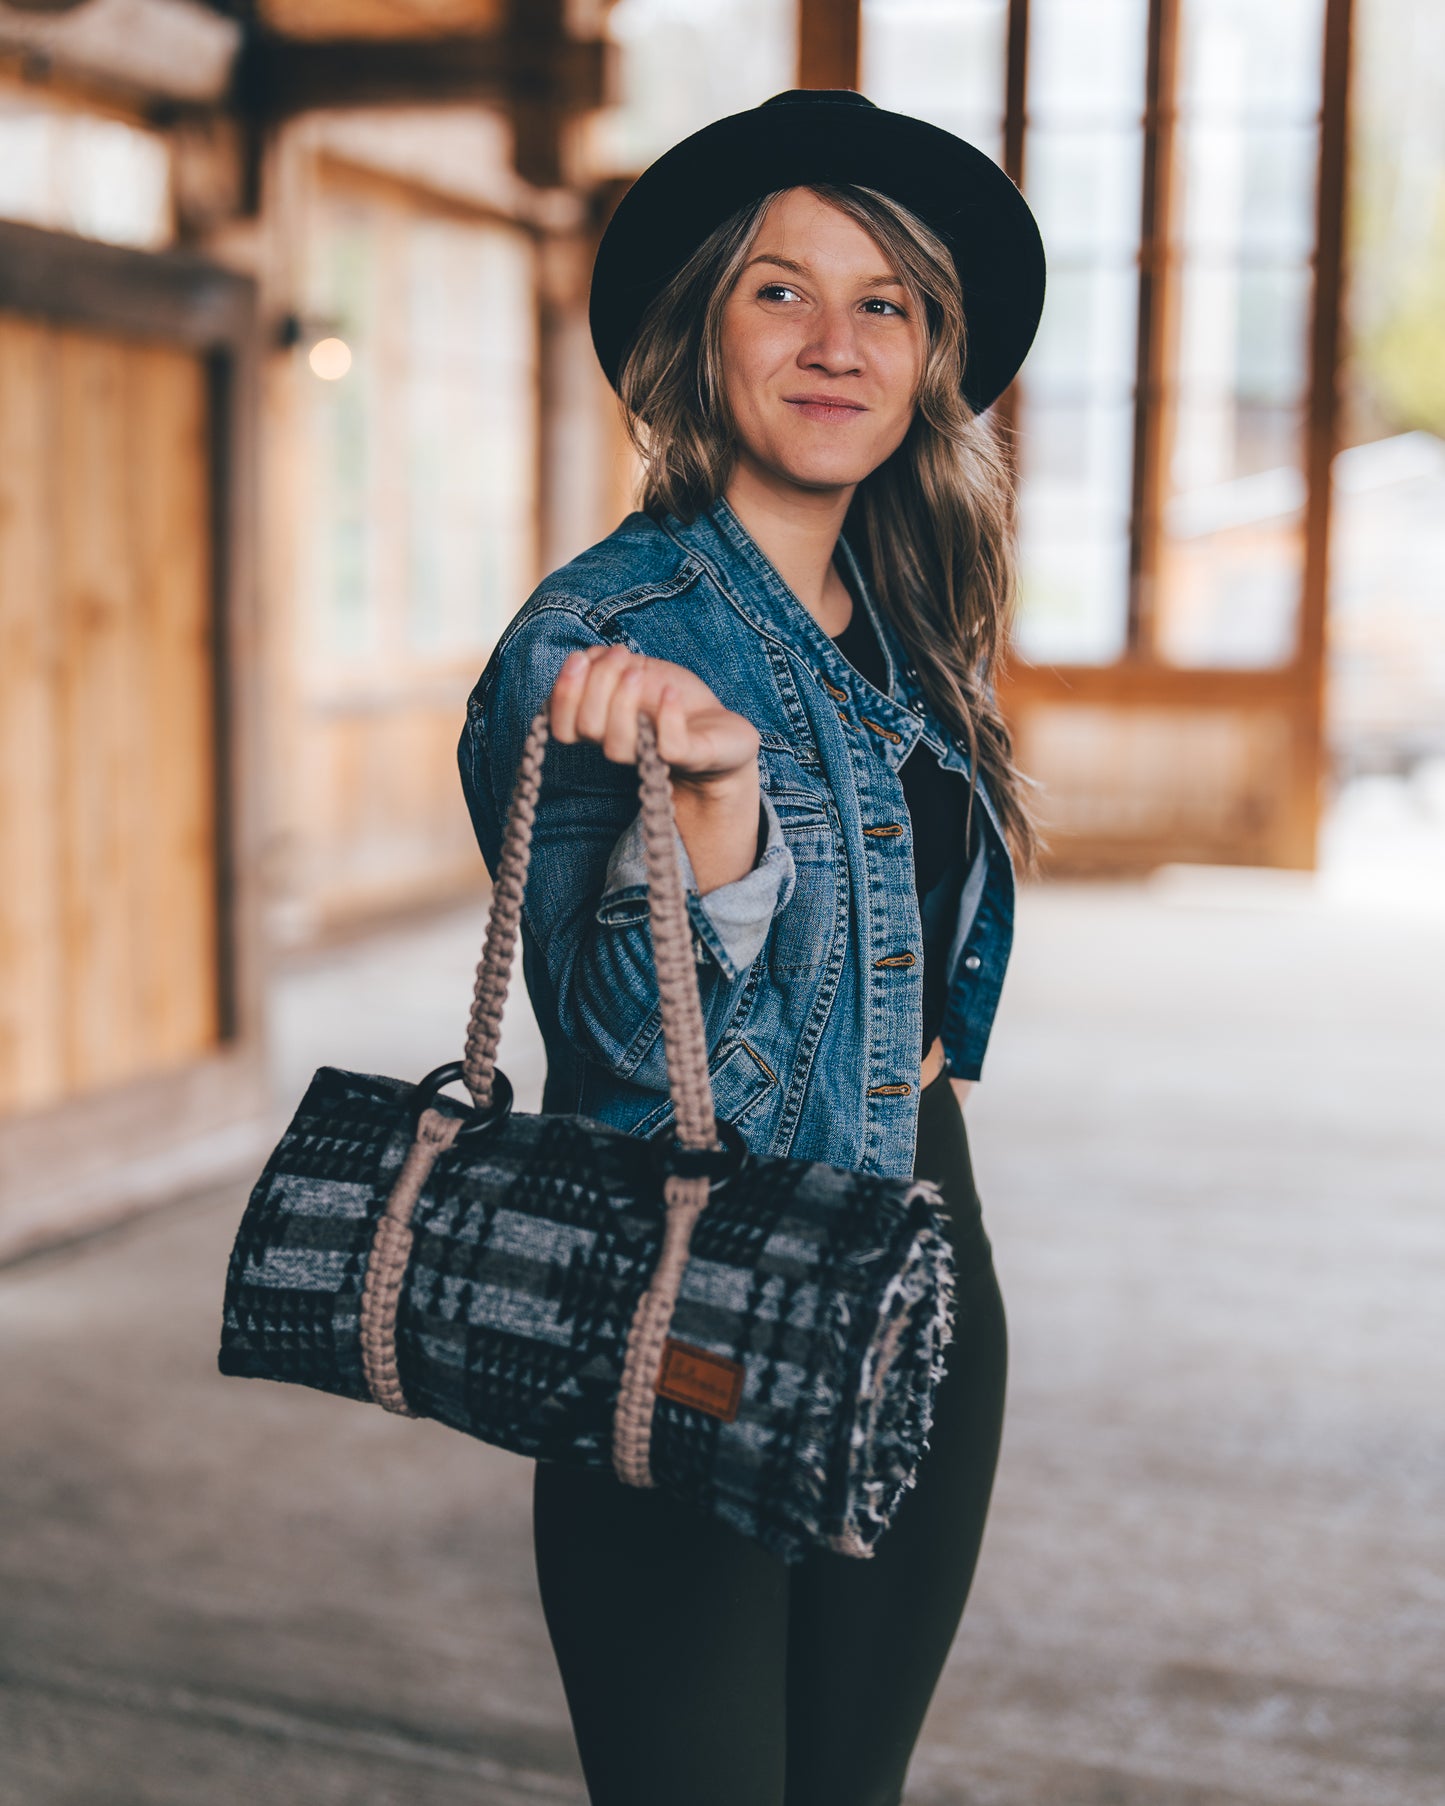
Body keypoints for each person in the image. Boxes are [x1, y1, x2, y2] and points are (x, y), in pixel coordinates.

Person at [458, 87, 1045, 1806]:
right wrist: (712, 822)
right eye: (781, 289)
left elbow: (920, 987)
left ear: (927, 355)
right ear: (700, 327)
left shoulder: (911, 626)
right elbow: (626, 1065)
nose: (836, 342)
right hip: (683, 1272)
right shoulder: (596, 640)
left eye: (885, 303)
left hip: (924, 1245)